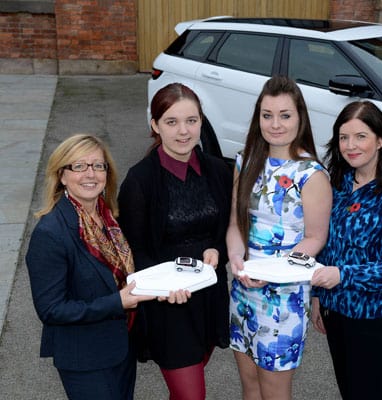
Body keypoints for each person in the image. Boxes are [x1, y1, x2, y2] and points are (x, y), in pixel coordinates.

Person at [117, 83, 232, 400]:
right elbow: (134, 251)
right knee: (192, 395)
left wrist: (217, 249)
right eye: (171, 122)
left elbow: (227, 229)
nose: (183, 131)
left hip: (208, 296)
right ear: (155, 125)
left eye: (191, 121)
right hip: (167, 305)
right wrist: (162, 287)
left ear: (201, 122)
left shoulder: (218, 170)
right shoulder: (140, 181)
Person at [26, 134, 155, 400]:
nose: (90, 174)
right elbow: (51, 309)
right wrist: (116, 302)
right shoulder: (51, 232)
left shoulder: (109, 217)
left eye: (98, 165)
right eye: (79, 166)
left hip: (122, 345)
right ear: (62, 175)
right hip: (84, 357)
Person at [227, 75, 332, 400]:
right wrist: (236, 260)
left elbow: (315, 237)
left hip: (284, 298)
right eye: (267, 115)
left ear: (300, 117)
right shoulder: (245, 162)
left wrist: (271, 271)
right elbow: (235, 224)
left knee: (274, 392)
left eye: (285, 115)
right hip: (243, 290)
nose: (275, 124)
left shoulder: (311, 174)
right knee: (250, 385)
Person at [311, 101, 382, 400]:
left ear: (380, 140)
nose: (350, 145)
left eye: (361, 136)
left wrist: (341, 275)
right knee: (349, 389)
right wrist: (319, 298)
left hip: (376, 314)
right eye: (344, 137)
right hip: (337, 308)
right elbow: (328, 245)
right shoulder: (338, 183)